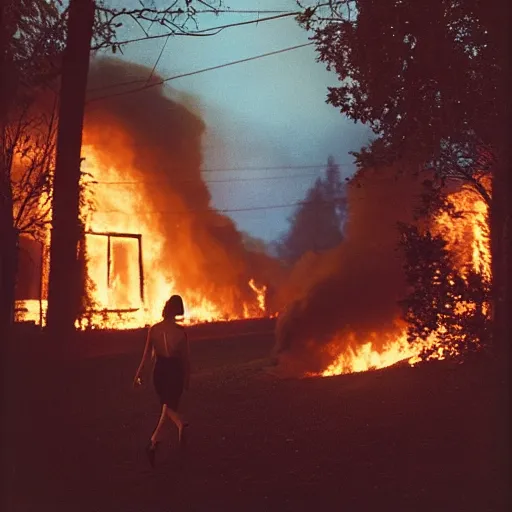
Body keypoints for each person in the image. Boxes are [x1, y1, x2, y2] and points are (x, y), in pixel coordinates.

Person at [133, 295, 191, 468]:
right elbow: (185, 359)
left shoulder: (154, 329)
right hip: (175, 371)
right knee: (169, 406)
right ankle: (180, 425)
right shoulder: (181, 332)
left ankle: (153, 444)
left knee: (166, 406)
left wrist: (138, 374)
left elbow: (146, 356)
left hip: (160, 371)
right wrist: (187, 378)